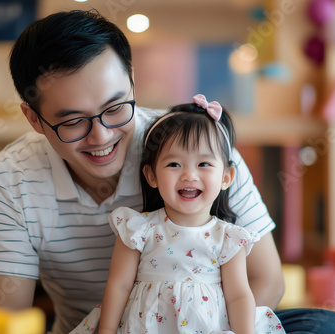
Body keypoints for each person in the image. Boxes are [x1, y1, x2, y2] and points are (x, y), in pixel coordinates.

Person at [0, 9, 335, 334]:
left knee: (329, 327)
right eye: (72, 121)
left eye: (115, 106)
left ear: (132, 81)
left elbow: (267, 279)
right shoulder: (3, 181)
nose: (102, 136)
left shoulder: (199, 149)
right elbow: (7, 320)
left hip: (216, 326)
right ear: (33, 119)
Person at [70, 95, 285, 334]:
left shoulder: (229, 238)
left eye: (203, 164)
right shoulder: (138, 229)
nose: (189, 175)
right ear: (151, 176)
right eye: (174, 164)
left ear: (226, 178)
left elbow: (238, 296)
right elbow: (119, 286)